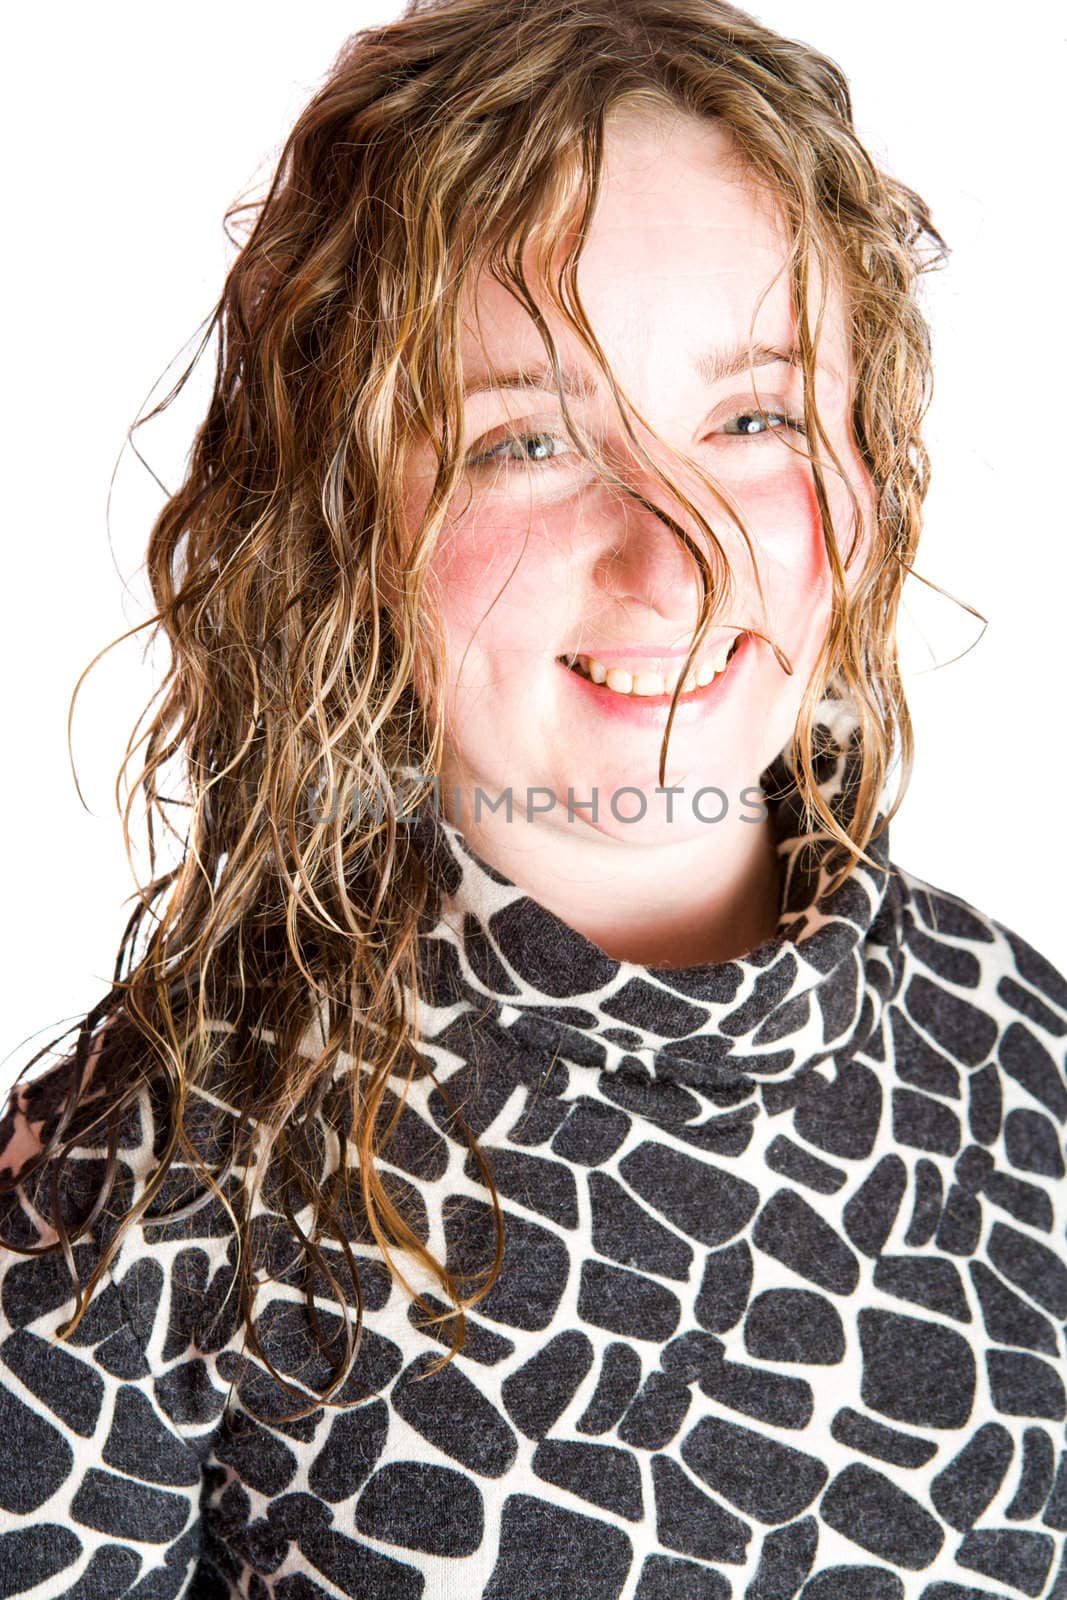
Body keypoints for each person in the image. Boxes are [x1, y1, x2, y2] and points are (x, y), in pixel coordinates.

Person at [1, 0, 1065, 1595]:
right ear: (344, 520)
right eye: (524, 441)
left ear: (867, 462)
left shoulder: (1031, 1059)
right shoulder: (148, 1174)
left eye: (753, 417)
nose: (676, 551)